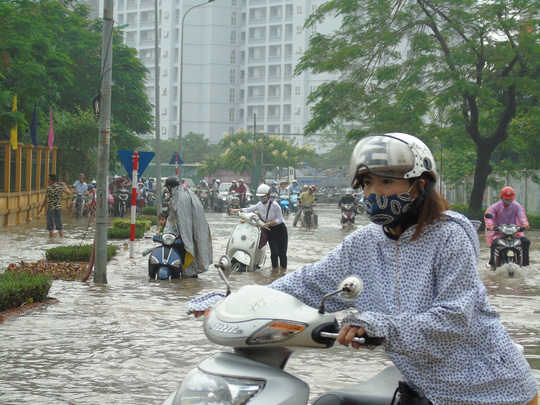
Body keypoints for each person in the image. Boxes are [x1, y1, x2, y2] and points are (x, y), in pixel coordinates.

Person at [189, 132, 538, 404]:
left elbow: (453, 320)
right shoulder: (365, 242)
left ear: (420, 185)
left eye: (387, 182)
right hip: (422, 386)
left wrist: (381, 326)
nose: (374, 193)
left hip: (490, 389)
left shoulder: (450, 238)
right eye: (368, 183)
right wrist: (234, 300)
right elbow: (310, 284)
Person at [231, 184, 288, 271]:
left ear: (268, 195)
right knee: (274, 253)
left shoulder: (275, 205)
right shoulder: (259, 205)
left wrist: (270, 223)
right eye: (260, 197)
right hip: (270, 231)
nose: (262, 199)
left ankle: (283, 271)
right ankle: (275, 271)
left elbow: (280, 219)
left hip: (280, 230)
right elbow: (248, 209)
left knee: (282, 254)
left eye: (263, 197)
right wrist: (237, 210)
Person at [485, 186, 531, 269]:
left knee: (526, 242)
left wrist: (525, 224)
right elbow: (490, 218)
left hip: (515, 232)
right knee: (495, 243)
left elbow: (522, 217)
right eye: (506, 199)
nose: (508, 201)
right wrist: (490, 225)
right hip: (499, 232)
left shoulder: (517, 206)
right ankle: (492, 263)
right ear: (501, 197)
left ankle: (525, 264)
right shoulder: (495, 207)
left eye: (510, 199)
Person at [38, 173, 71, 238]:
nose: (47, 180)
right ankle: (61, 238)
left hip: (51, 208)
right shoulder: (60, 187)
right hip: (58, 208)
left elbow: (46, 200)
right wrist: (64, 185)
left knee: (51, 226)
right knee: (59, 225)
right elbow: (68, 192)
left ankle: (51, 240)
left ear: (51, 180)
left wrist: (41, 208)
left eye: (48, 179)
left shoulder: (49, 188)